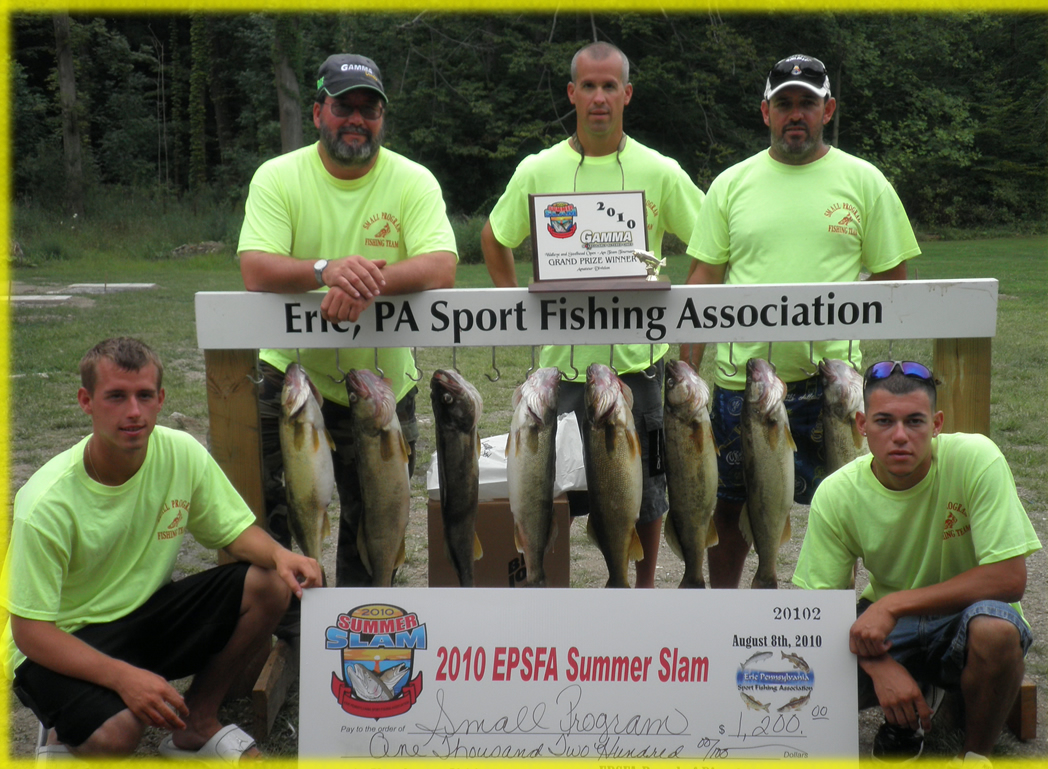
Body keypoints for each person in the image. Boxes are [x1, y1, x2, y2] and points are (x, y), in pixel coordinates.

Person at [1, 338, 323, 760]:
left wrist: (282, 555)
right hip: (61, 641)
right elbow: (30, 632)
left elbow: (234, 531)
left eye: (144, 396)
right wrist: (124, 679)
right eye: (116, 396)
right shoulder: (45, 503)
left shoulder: (180, 452)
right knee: (118, 735)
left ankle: (198, 725)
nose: (133, 411)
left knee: (269, 583)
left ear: (160, 400)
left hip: (141, 615)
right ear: (86, 401)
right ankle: (65, 733)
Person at [681, 54, 922, 588]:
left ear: (827, 109)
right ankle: (719, 615)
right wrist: (688, 366)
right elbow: (702, 280)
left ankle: (831, 621)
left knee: (844, 510)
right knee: (730, 510)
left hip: (832, 389)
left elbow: (894, 275)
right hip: (740, 381)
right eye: (785, 103)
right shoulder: (731, 183)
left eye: (807, 104)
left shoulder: (865, 181)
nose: (796, 114)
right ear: (765, 111)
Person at [481, 41, 704, 588]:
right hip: (563, 370)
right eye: (588, 86)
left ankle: (639, 587)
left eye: (610, 86)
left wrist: (680, 311)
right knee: (548, 489)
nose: (599, 97)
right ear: (572, 94)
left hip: (638, 368)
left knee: (646, 490)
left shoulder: (659, 170)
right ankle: (549, 589)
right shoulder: (540, 169)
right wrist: (519, 314)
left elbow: (710, 245)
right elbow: (494, 238)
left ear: (627, 94)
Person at [238, 53, 458, 586]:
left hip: (382, 387)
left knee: (376, 526)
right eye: (344, 106)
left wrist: (362, 285)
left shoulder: (413, 180)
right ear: (318, 112)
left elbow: (442, 264)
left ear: (382, 118)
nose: (357, 119)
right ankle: (292, 630)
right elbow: (255, 267)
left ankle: (361, 626)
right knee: (281, 520)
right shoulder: (278, 176)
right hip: (291, 383)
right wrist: (325, 270)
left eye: (370, 109)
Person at [793, 360, 1041, 764]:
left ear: (938, 423)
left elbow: (1010, 578)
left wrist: (892, 604)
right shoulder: (836, 493)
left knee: (996, 631)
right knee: (802, 669)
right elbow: (814, 609)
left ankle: (975, 755)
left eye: (915, 421)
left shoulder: (977, 458)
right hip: (893, 628)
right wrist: (879, 665)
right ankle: (908, 711)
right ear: (861, 425)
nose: (900, 437)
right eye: (884, 421)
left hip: (965, 616)